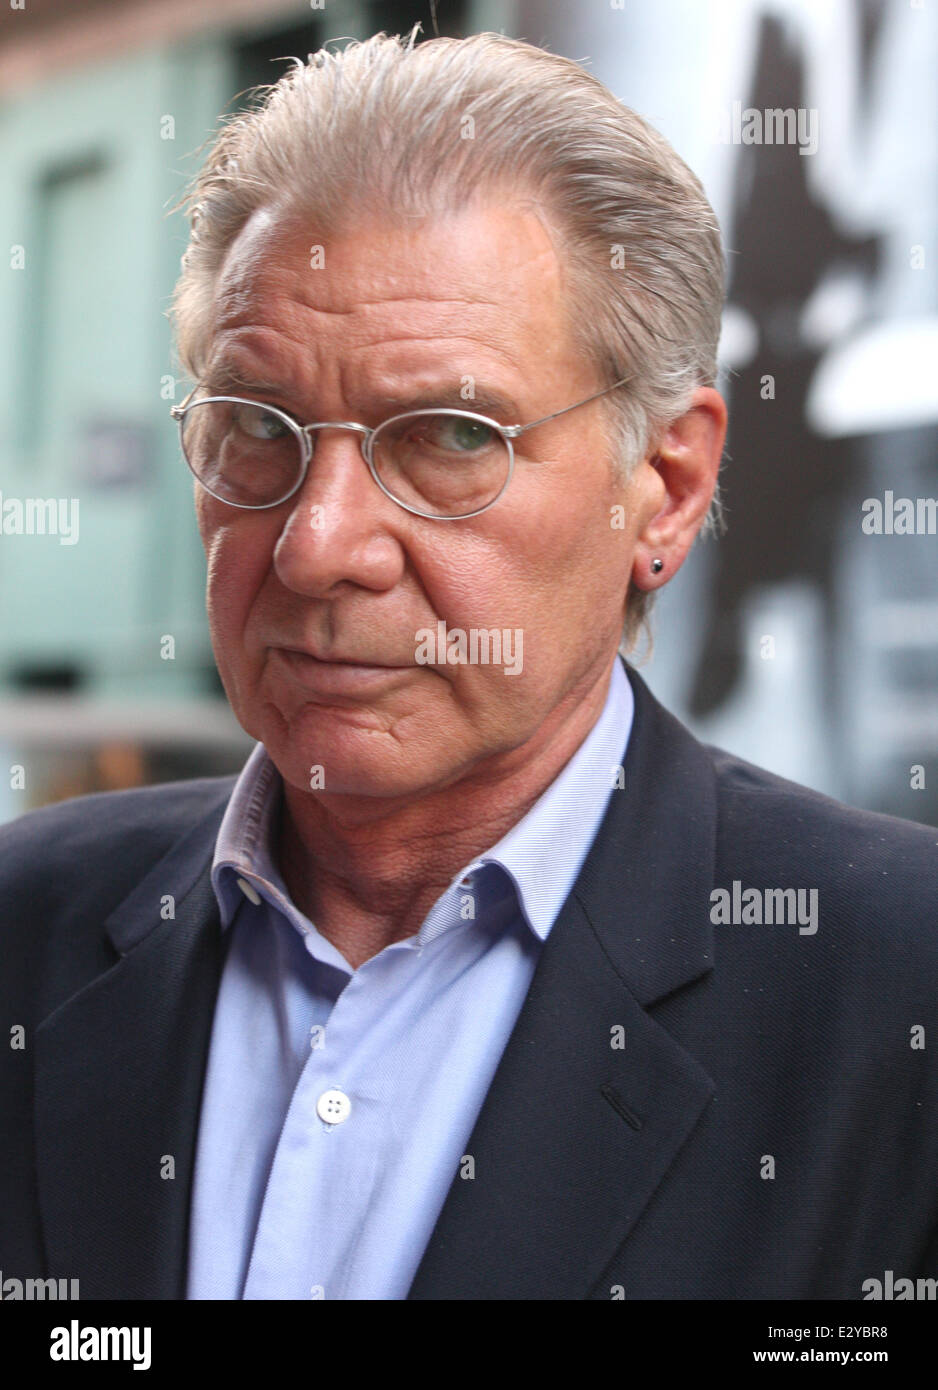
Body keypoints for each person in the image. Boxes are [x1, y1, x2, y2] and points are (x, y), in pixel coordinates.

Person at [1, 29, 936, 1302]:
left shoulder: (892, 988)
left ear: (661, 490)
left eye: (447, 435)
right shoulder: (23, 927)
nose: (318, 544)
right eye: (257, 430)